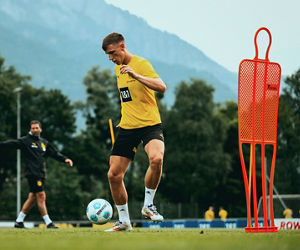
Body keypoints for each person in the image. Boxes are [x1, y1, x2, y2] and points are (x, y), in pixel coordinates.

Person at [102, 32, 167, 232]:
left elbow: (162, 87)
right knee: (114, 175)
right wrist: (125, 117)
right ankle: (124, 222)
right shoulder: (116, 69)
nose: (111, 58)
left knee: (156, 159)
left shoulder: (141, 64)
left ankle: (148, 205)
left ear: (122, 46)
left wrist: (136, 75)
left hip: (150, 125)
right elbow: (127, 97)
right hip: (128, 126)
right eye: (108, 55)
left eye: (113, 53)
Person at [0, 120, 73, 229]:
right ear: (30, 129)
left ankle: (19, 221)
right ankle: (48, 223)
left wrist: (65, 159)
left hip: (41, 174)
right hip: (32, 174)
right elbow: (11, 143)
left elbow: (54, 153)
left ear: (40, 129)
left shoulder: (44, 142)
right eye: (32, 128)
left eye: (36, 128)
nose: (34, 130)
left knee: (33, 198)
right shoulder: (25, 141)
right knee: (41, 195)